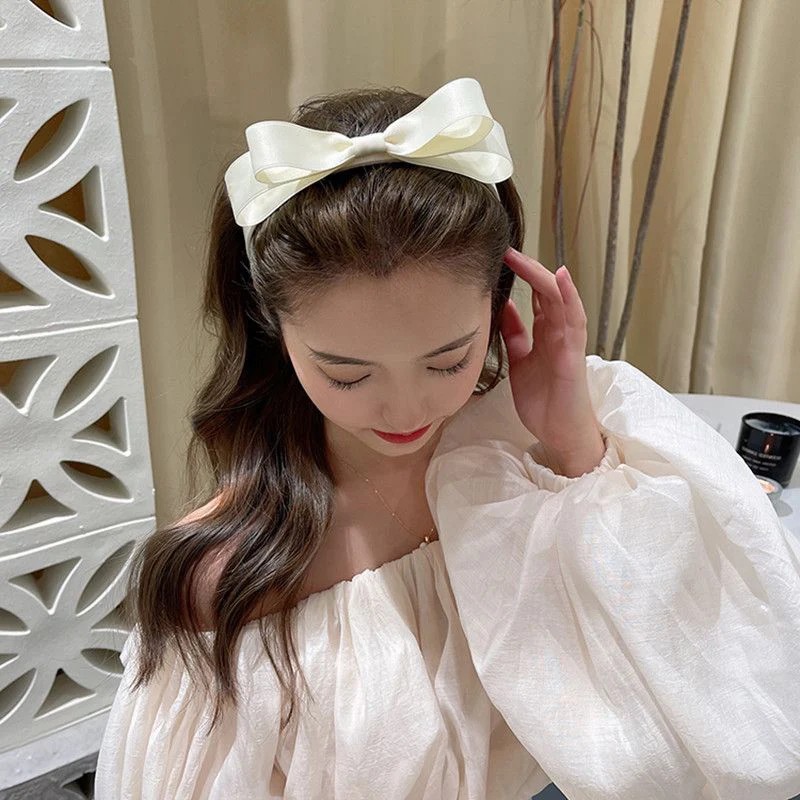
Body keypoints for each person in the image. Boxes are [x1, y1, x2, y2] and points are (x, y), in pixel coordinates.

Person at [94, 77, 800, 800]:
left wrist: (574, 448)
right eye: (346, 374)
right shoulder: (227, 576)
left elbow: (716, 699)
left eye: (448, 361)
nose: (406, 409)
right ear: (274, 332)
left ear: (499, 306)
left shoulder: (536, 460)